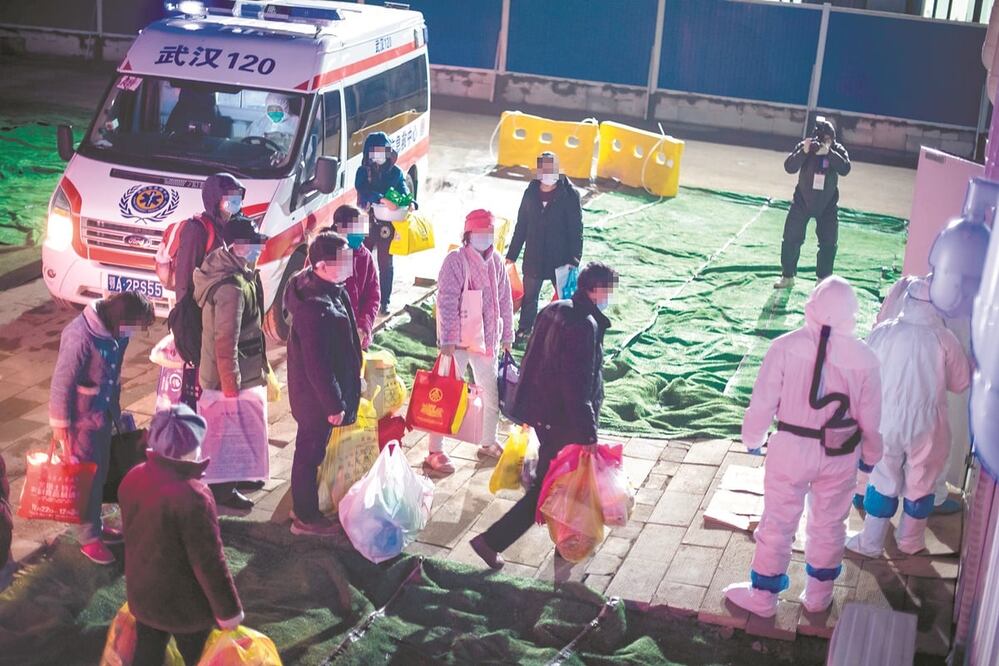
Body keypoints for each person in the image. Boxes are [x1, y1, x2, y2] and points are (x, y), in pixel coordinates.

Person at [724, 277, 882, 617]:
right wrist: (869, 458)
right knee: (830, 523)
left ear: (811, 305)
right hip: (840, 455)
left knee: (778, 521)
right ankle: (818, 597)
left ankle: (763, 597)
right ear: (851, 313)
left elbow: (763, 402)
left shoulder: (784, 346)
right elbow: (871, 420)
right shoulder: (866, 357)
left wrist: (752, 439)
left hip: (791, 449)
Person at [470, 262, 616, 569]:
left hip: (544, 412)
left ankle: (566, 544)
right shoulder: (584, 325)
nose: (609, 297)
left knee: (562, 481)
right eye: (607, 290)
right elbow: (577, 385)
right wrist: (588, 432)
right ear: (595, 290)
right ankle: (492, 541)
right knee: (551, 486)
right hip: (565, 419)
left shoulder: (555, 309)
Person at [846, 278, 970, 557]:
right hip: (929, 424)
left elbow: (862, 371)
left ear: (907, 300)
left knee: (882, 477)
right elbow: (960, 383)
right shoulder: (944, 338)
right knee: (922, 481)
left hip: (885, 420)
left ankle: (871, 543)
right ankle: (911, 542)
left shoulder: (884, 332)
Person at [118, 405, 243, 666]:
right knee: (198, 656)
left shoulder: (133, 478)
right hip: (185, 607)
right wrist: (228, 612)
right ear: (193, 446)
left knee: (147, 650)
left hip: (144, 596)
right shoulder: (193, 496)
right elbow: (209, 562)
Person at [49, 291, 154, 565]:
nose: (134, 333)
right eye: (134, 325)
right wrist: (61, 427)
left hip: (103, 416)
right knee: (87, 480)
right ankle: (89, 539)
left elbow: (114, 372)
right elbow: (62, 383)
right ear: (121, 317)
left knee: (101, 473)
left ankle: (94, 526)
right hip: (82, 422)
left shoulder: (118, 332)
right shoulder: (79, 335)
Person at [285, 231, 363, 536]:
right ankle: (304, 516)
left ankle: (302, 506)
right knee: (309, 453)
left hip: (318, 394)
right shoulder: (313, 307)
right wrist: (333, 404)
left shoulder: (325, 287)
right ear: (320, 265)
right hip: (315, 398)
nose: (348, 263)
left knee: (310, 450)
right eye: (341, 259)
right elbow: (317, 365)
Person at [426, 209, 515, 474]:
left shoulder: (497, 262)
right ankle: (435, 450)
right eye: (479, 233)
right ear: (467, 234)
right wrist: (448, 340)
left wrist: (507, 335)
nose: (485, 238)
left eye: (489, 233)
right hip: (457, 341)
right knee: (444, 391)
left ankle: (488, 441)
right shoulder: (455, 260)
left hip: (487, 339)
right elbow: (447, 300)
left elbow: (505, 302)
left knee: (491, 392)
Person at [193, 217, 270, 510]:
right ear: (237, 247)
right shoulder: (231, 288)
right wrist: (230, 388)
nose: (258, 248)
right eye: (252, 245)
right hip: (224, 374)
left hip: (236, 368)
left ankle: (240, 475)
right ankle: (221, 490)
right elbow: (225, 342)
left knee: (240, 427)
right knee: (223, 435)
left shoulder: (228, 268)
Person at [506, 151, 583, 347]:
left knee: (566, 298)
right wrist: (512, 255)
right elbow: (521, 225)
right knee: (530, 297)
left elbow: (576, 229)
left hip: (561, 257)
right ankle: (525, 330)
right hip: (534, 256)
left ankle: (567, 333)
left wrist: (575, 259)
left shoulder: (569, 195)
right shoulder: (530, 193)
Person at [774, 119, 851, 289]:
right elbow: (789, 167)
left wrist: (829, 152)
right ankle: (787, 276)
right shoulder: (806, 147)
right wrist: (804, 151)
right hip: (803, 199)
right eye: (826, 139)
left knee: (829, 242)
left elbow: (845, 168)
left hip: (827, 203)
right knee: (791, 238)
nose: (828, 142)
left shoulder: (837, 149)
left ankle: (822, 280)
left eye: (831, 139)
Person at [355, 132, 412, 315]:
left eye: (383, 151)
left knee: (385, 264)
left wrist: (410, 202)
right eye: (375, 152)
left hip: (387, 225)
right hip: (366, 222)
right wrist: (381, 199)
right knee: (361, 260)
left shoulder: (396, 173)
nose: (379, 156)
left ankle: (384, 301)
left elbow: (404, 190)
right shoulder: (363, 172)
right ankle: (359, 298)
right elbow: (362, 190)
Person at [174, 172, 248, 304]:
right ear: (215, 199)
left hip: (222, 306)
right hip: (201, 308)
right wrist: (184, 314)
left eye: (238, 199)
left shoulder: (233, 227)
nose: (236, 204)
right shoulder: (197, 229)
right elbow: (184, 278)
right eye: (230, 199)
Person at [328, 204, 381, 349]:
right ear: (340, 229)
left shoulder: (365, 257)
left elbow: (373, 296)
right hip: (329, 337)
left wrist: (364, 326)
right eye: (356, 229)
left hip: (357, 336)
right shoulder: (326, 255)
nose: (362, 235)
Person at [246, 92, 300, 157]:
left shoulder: (297, 122)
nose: (275, 112)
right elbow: (250, 138)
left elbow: (303, 148)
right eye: (271, 109)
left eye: (277, 109)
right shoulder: (261, 122)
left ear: (285, 107)